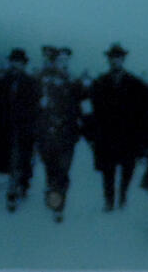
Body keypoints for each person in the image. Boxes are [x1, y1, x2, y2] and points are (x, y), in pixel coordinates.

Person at [88, 43, 148, 212]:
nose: (115, 61)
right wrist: (92, 136)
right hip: (107, 136)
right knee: (107, 171)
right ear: (108, 60)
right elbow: (92, 112)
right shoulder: (99, 83)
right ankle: (109, 200)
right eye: (112, 58)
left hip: (128, 137)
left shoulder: (136, 84)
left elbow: (146, 110)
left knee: (127, 170)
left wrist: (144, 139)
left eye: (118, 58)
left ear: (123, 59)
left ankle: (123, 196)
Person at [0, 47, 39, 211]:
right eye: (14, 62)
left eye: (19, 62)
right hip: (5, 128)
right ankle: (18, 185)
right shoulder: (3, 82)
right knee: (10, 161)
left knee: (20, 159)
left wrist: (33, 127)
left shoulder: (31, 82)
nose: (16, 65)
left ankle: (13, 192)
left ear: (24, 64)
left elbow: (35, 108)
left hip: (23, 129)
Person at [35, 46, 83, 222]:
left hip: (67, 135)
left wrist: (87, 128)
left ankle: (58, 206)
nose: (63, 63)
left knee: (63, 171)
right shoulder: (43, 80)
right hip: (46, 134)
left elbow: (82, 105)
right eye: (59, 60)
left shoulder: (74, 81)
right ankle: (52, 191)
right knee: (51, 170)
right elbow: (34, 105)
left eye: (66, 60)